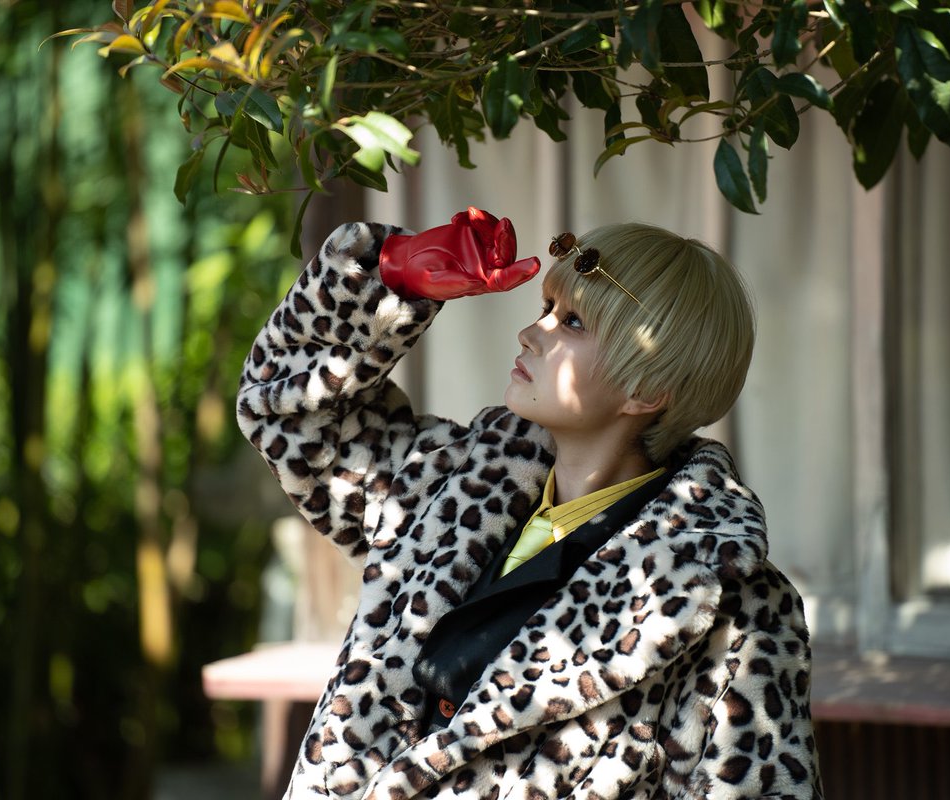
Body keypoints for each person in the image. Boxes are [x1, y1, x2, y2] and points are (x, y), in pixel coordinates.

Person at [237, 208, 823, 799]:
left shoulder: (729, 604)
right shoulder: (448, 483)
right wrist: (388, 276)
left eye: (572, 322)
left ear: (647, 389)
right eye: (545, 307)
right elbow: (285, 413)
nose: (531, 332)